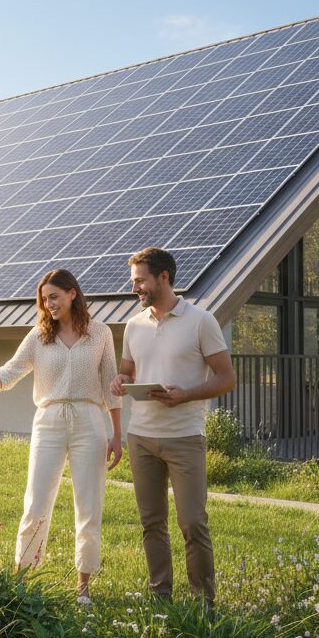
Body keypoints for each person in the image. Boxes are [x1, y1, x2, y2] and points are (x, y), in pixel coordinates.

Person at [0, 268, 122, 604]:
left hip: (89, 419)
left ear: (72, 293)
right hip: (49, 420)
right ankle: (22, 579)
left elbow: (111, 386)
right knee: (36, 502)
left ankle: (83, 589)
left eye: (54, 297)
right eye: (44, 300)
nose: (49, 304)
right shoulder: (39, 336)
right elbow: (9, 373)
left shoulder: (100, 333)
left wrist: (117, 434)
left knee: (89, 505)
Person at [109, 246, 235, 604]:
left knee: (193, 523)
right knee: (152, 523)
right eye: (134, 281)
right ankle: (160, 596)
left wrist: (187, 394)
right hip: (141, 437)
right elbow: (128, 371)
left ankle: (203, 603)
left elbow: (227, 378)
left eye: (140, 280)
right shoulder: (134, 325)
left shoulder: (201, 321)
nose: (135, 288)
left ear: (163, 277)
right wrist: (120, 381)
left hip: (184, 437)